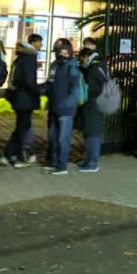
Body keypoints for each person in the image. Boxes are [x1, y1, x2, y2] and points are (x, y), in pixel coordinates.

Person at [2, 34, 42, 167]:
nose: (41, 46)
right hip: (25, 99)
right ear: (33, 43)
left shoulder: (20, 58)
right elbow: (29, 80)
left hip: (18, 97)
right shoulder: (30, 58)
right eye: (39, 43)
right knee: (22, 128)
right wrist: (38, 91)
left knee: (21, 127)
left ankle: (9, 154)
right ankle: (17, 157)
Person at [44, 38, 79, 175]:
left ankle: (62, 165)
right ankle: (53, 162)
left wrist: (64, 105)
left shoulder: (72, 68)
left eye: (65, 53)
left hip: (65, 111)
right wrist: (48, 106)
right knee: (53, 137)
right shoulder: (54, 66)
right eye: (61, 52)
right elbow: (50, 87)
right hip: (53, 108)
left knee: (62, 138)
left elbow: (74, 91)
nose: (62, 55)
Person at [74, 43, 107, 172]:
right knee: (89, 133)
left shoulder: (94, 68)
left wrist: (86, 88)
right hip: (92, 105)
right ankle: (89, 159)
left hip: (93, 105)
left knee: (92, 134)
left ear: (86, 56)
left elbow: (97, 87)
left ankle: (92, 163)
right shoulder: (96, 66)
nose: (80, 61)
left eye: (81, 58)